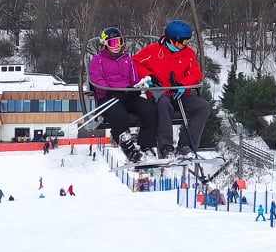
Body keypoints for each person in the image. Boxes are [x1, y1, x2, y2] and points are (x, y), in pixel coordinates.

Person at [133, 19, 211, 155]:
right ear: (173, 40)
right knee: (163, 104)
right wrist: (149, 77)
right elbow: (135, 63)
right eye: (183, 42)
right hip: (160, 93)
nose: (186, 45)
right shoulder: (153, 51)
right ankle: (166, 146)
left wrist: (184, 85)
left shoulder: (188, 53)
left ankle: (186, 146)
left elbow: (196, 72)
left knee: (202, 107)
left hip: (180, 94)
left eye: (188, 41)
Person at [89, 27, 155, 156]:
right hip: (109, 97)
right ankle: (128, 147)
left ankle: (146, 145)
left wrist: (135, 88)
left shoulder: (127, 59)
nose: (116, 46)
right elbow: (97, 79)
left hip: (127, 95)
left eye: (119, 42)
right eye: (112, 43)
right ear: (105, 44)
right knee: (120, 115)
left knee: (150, 109)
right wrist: (109, 90)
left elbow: (134, 78)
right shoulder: (98, 60)